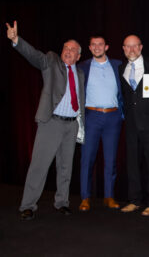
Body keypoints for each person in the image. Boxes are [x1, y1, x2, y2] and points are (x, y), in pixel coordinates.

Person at [6, 21, 85, 220]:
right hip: (52, 123)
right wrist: (16, 40)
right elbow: (34, 56)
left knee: (66, 166)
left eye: (73, 49)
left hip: (71, 125)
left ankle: (62, 203)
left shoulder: (81, 73)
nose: (68, 51)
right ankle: (28, 205)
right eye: (66, 48)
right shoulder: (51, 61)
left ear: (79, 55)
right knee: (39, 165)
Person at [118, 35, 149, 216]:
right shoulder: (120, 68)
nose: (131, 50)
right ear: (123, 49)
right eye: (128, 47)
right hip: (130, 124)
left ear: (141, 47)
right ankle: (134, 200)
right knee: (132, 164)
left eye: (135, 46)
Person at [78, 36, 123, 211]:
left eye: (100, 44)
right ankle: (85, 197)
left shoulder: (118, 65)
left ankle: (109, 196)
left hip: (113, 117)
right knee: (87, 159)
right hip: (91, 117)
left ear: (107, 46)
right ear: (89, 48)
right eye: (94, 45)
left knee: (111, 160)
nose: (97, 47)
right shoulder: (82, 67)